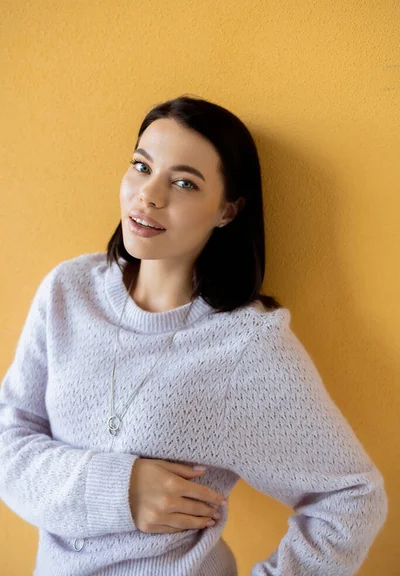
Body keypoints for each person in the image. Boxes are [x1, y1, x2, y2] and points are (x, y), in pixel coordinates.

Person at [0, 94, 388, 575]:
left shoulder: (246, 345)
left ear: (227, 211)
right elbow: (8, 436)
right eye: (141, 167)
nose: (150, 195)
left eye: (184, 183)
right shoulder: (68, 292)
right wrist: (119, 489)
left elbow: (351, 498)